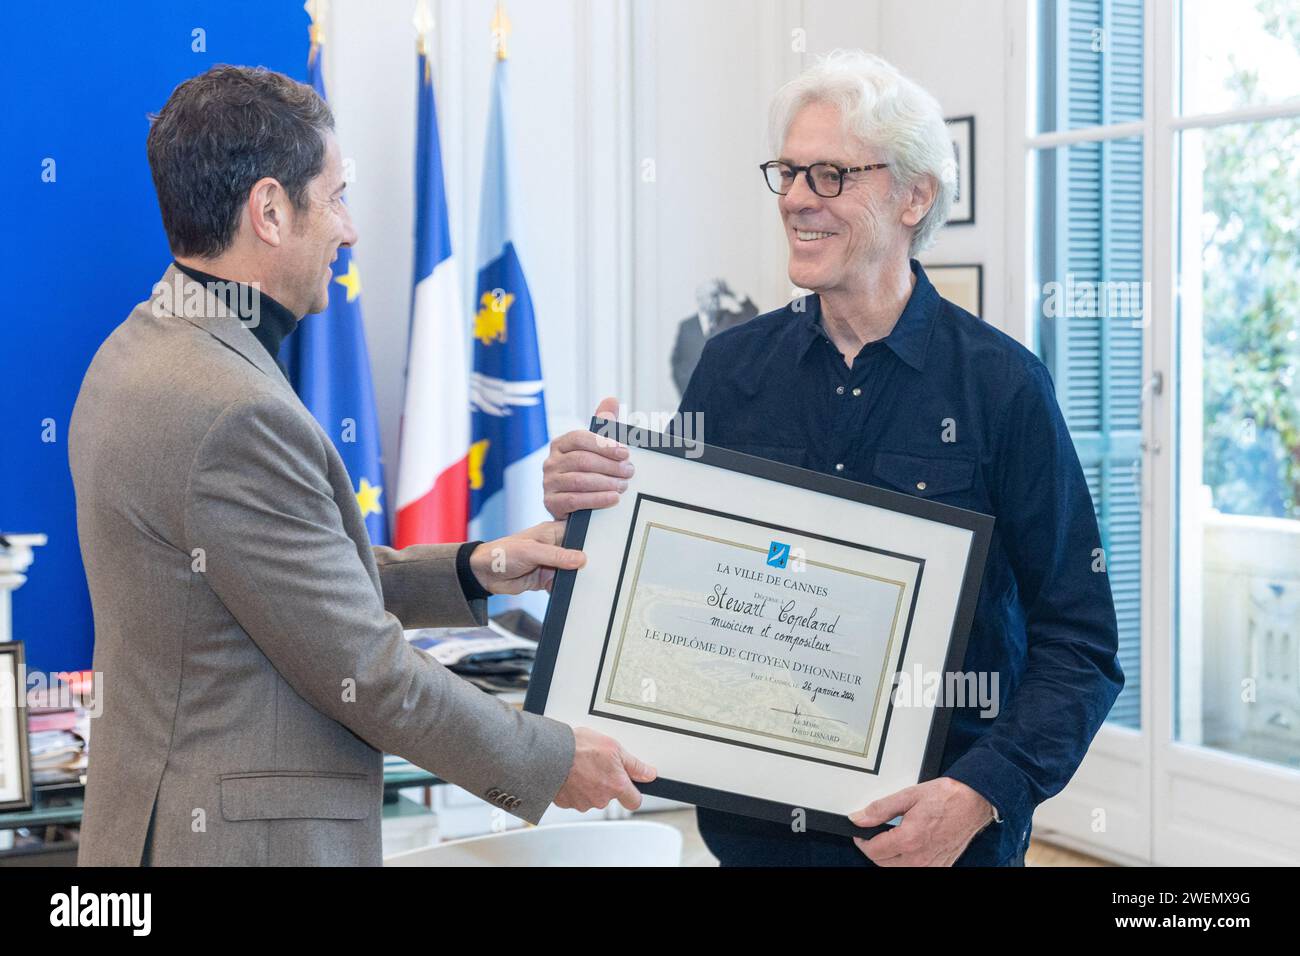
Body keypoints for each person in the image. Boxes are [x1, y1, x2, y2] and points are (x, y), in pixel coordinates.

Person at [541, 50, 1122, 867]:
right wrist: (589, 506)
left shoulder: (1003, 387)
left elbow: (1080, 641)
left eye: (829, 175)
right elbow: (671, 581)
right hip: (756, 841)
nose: (795, 200)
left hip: (939, 841)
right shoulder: (731, 368)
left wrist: (982, 791)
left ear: (914, 195)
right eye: (787, 172)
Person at [69, 65, 653, 866]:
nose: (349, 229)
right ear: (270, 211)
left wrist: (476, 568)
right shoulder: (234, 408)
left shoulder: (139, 350)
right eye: (336, 195)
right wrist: (551, 759)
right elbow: (366, 671)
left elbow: (280, 584)